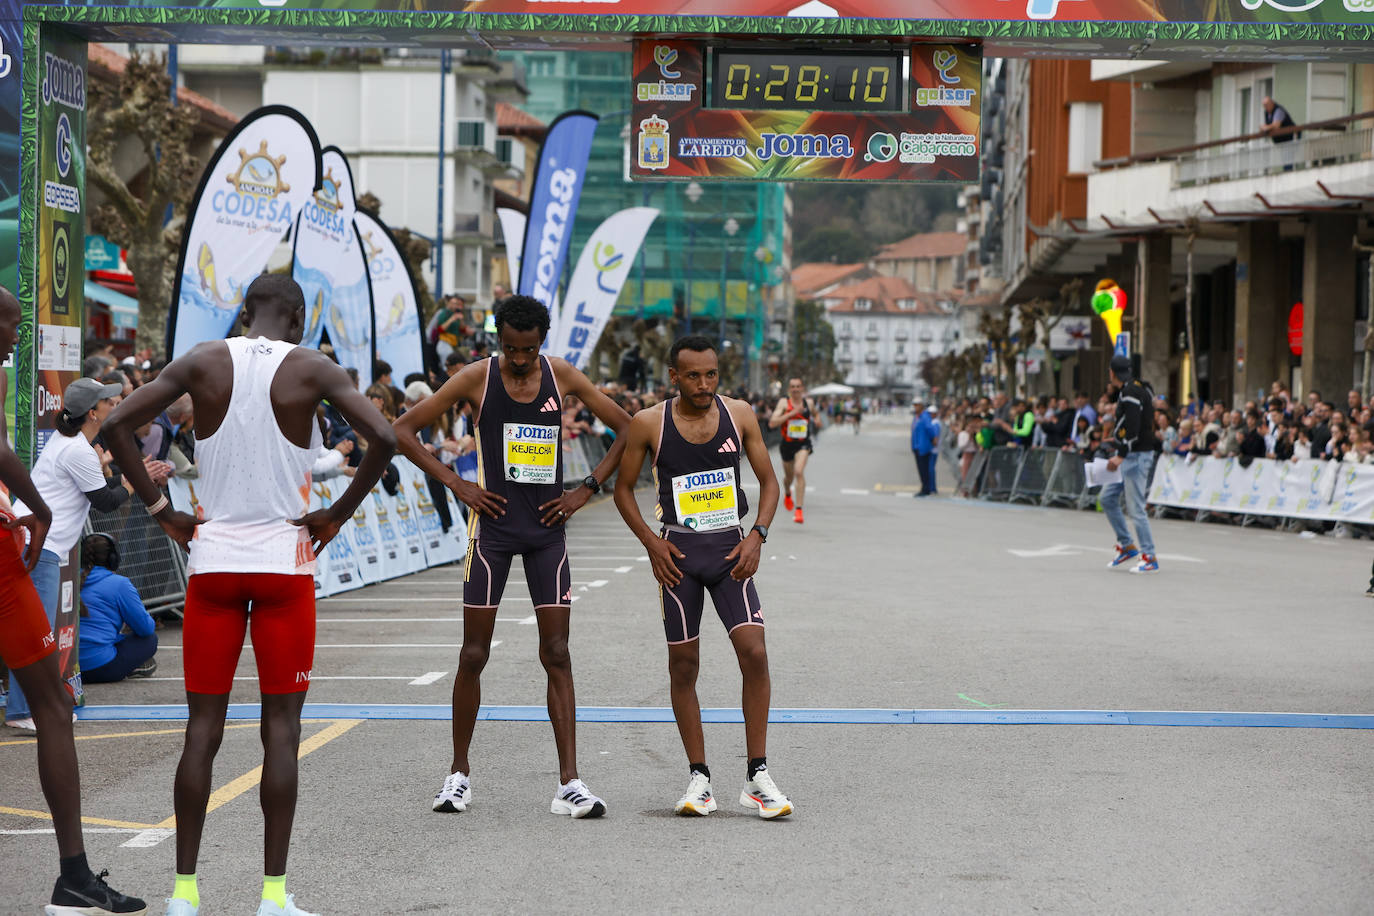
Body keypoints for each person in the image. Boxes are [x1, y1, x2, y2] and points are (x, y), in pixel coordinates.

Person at [102, 274, 397, 916]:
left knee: (201, 730)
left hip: (213, 565)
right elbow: (388, 439)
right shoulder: (312, 366)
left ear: (243, 313)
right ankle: (271, 896)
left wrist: (161, 510)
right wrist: (337, 514)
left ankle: (183, 892)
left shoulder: (205, 358)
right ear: (296, 320)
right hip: (284, 568)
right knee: (282, 731)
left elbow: (119, 422)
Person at [393, 294, 631, 820]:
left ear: (541, 342)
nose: (518, 360)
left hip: (547, 532)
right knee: (473, 654)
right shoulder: (476, 378)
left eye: (527, 350)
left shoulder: (561, 374)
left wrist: (586, 488)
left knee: (558, 652)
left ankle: (569, 781)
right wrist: (457, 483)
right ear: (496, 339)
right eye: (509, 349)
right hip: (493, 533)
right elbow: (402, 430)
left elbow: (628, 426)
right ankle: (458, 775)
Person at [0, 289, 148, 915]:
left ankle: (73, 879)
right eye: (10, 325)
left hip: (18, 544)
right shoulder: (73, 450)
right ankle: (73, 878)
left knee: (54, 704)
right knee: (53, 706)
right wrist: (33, 508)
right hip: (18, 546)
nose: (16, 337)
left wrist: (31, 509)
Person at [612, 335, 792, 819]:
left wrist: (757, 536)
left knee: (754, 652)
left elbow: (770, 482)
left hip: (732, 551)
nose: (703, 384)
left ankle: (757, 775)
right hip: (679, 558)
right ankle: (699, 779)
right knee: (684, 667)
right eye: (692, 375)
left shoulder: (740, 415)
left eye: (711, 374)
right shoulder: (649, 423)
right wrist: (653, 544)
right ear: (674, 376)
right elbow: (622, 490)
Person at [7, 376, 133, 729]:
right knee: (38, 635)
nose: (115, 404)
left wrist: (116, 478)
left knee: (34, 633)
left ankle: (23, 709)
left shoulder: (73, 443)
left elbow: (98, 490)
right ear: (93, 413)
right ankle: (25, 712)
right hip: (38, 547)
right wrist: (131, 484)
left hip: (35, 544)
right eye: (109, 401)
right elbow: (106, 502)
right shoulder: (78, 450)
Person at [1103, 355, 1160, 574]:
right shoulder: (1138, 388)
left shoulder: (1130, 392)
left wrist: (1121, 453)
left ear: (1111, 373)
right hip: (1130, 454)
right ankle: (1127, 545)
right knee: (1107, 498)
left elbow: (1134, 427)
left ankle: (1149, 555)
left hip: (1135, 456)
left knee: (1136, 508)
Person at [78, 533, 158, 683]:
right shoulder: (120, 584)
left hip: (69, 669)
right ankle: (134, 666)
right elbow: (146, 629)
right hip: (102, 668)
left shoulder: (68, 580)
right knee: (150, 639)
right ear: (114, 559)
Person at [768, 377, 816, 524]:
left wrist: (818, 420)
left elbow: (816, 414)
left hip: (803, 444)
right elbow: (772, 423)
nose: (795, 389)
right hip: (787, 445)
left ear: (802, 388)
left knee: (799, 472)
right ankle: (788, 492)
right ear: (789, 389)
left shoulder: (809, 403)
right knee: (788, 478)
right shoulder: (784, 403)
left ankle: (799, 510)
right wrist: (791, 413)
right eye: (792, 387)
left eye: (798, 386)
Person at [911, 399, 940, 496]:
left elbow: (930, 429)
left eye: (917, 405)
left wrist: (933, 439)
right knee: (921, 468)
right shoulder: (916, 417)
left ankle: (926, 488)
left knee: (924, 469)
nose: (915, 407)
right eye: (914, 405)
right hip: (916, 446)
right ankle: (925, 487)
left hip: (923, 446)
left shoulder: (925, 416)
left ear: (922, 406)